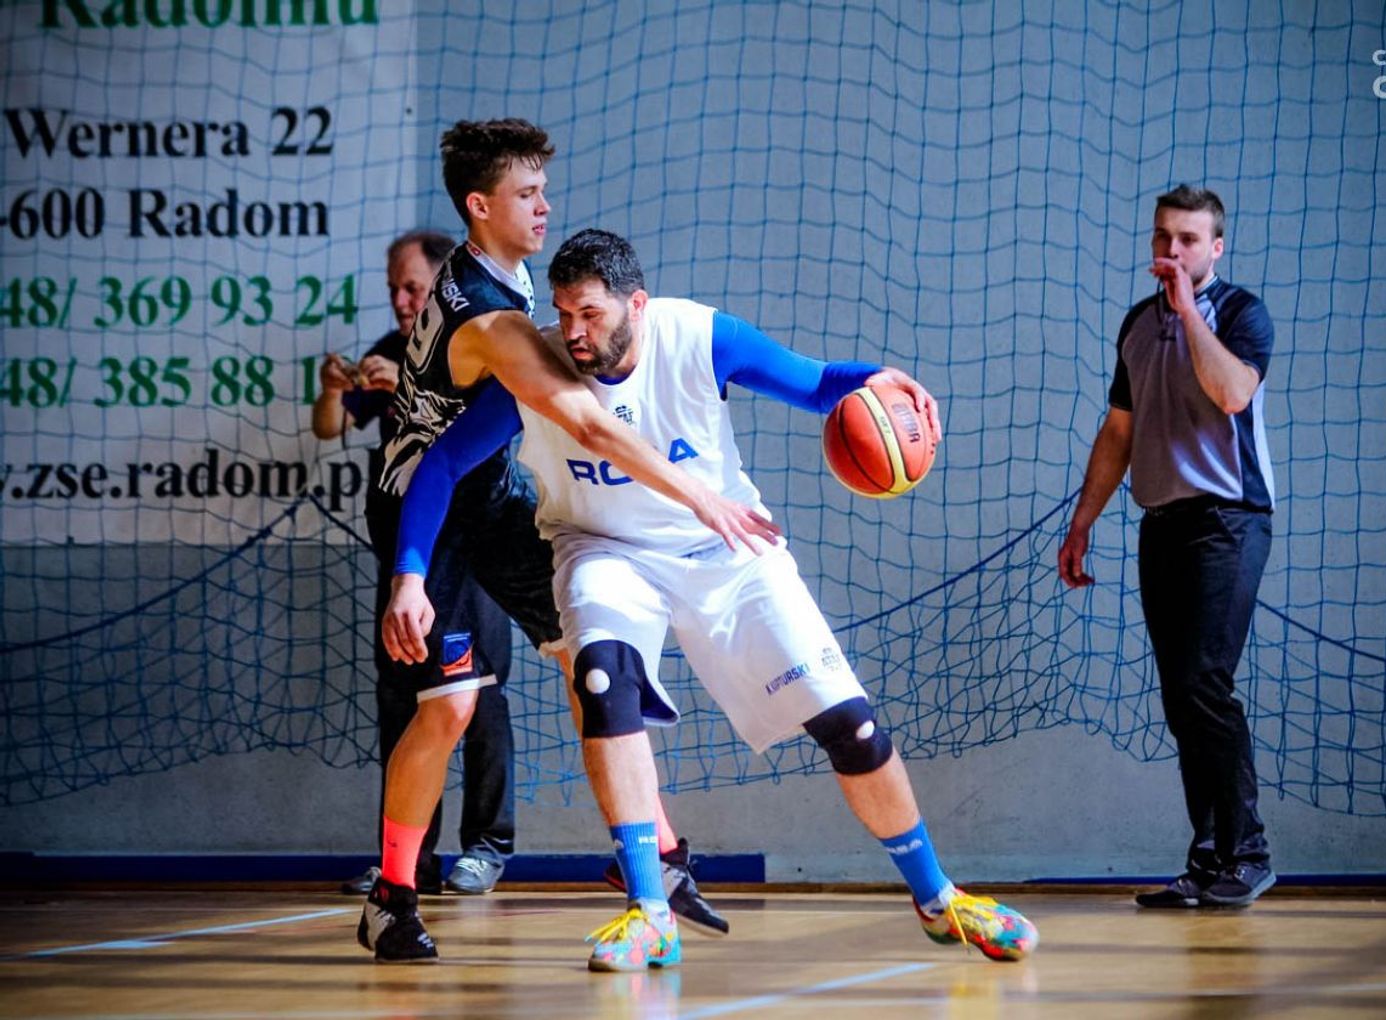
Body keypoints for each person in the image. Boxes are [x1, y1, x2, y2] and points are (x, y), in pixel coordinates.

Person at [388, 228, 1040, 972]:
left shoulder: (700, 337)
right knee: (600, 677)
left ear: (637, 304)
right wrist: (409, 574)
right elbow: (441, 464)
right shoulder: (537, 369)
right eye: (564, 313)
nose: (575, 332)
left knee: (853, 728)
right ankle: (649, 910)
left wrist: (880, 379)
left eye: (592, 314)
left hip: (725, 545)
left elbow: (815, 384)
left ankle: (937, 897)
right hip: (602, 550)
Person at [353, 121, 774, 964]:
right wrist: (704, 497)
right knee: (452, 706)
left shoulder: (505, 277)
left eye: (543, 189)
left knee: (593, 656)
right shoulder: (490, 319)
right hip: (425, 510)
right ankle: (392, 897)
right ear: (481, 206)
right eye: (526, 194)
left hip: (489, 497)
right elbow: (588, 423)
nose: (544, 205)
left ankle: (656, 856)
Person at [1058, 184, 1277, 909]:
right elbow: (1118, 430)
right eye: (1163, 237)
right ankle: (1209, 861)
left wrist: (1187, 312)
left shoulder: (1240, 313)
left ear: (1216, 247)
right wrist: (1083, 522)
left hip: (1229, 521)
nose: (1172, 250)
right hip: (1162, 523)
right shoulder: (1135, 323)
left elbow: (1233, 393)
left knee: (1205, 685)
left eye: (1188, 239)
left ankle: (1248, 853)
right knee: (1181, 699)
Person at [313, 230, 518, 899]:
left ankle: (487, 845)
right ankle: (406, 858)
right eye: (393, 289)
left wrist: (403, 385)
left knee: (478, 694)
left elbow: (465, 432)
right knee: (402, 699)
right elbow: (329, 426)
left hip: (472, 545)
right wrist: (332, 389)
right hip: (407, 552)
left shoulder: (474, 344)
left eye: (413, 288)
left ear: (442, 290)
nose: (401, 301)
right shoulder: (386, 348)